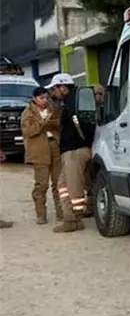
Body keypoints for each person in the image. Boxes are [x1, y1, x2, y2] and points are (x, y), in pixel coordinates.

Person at [47, 73, 93, 233]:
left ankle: (75, 219)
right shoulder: (71, 102)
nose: (53, 92)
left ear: (63, 87)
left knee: (73, 186)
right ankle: (69, 217)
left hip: (75, 150)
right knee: (62, 185)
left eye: (54, 88)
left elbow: (83, 126)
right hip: (70, 150)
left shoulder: (73, 104)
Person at [21, 86, 64, 226]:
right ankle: (41, 214)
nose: (44, 100)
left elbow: (60, 124)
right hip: (39, 150)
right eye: (41, 98)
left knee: (59, 182)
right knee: (42, 184)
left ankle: (61, 212)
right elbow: (28, 131)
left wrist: (53, 123)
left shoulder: (53, 109)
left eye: (46, 97)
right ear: (34, 98)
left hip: (54, 146)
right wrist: (43, 123)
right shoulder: (28, 113)